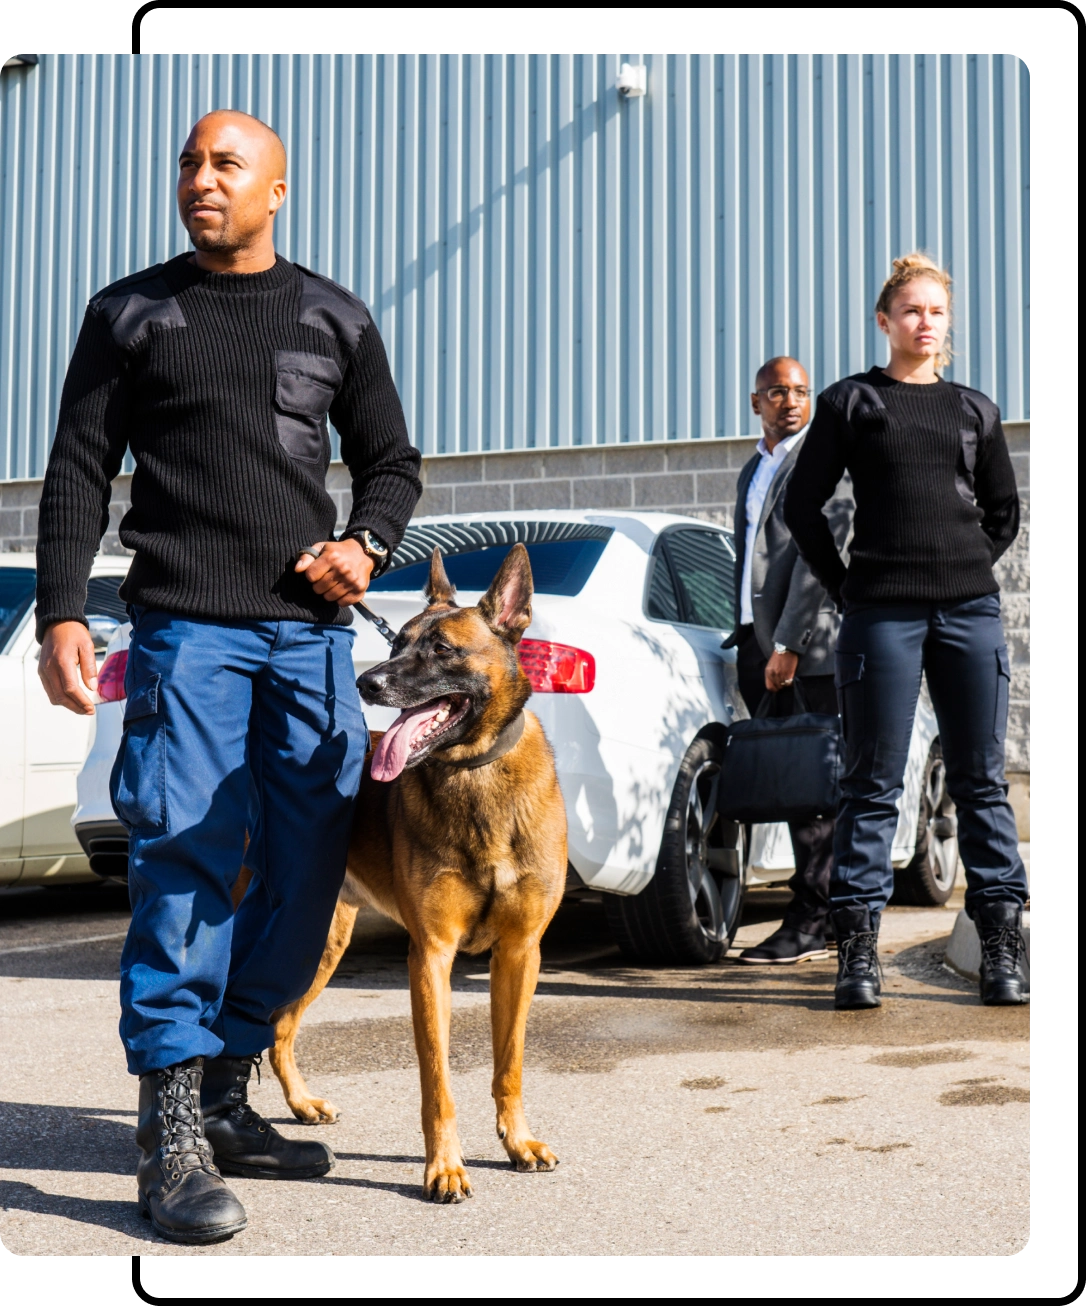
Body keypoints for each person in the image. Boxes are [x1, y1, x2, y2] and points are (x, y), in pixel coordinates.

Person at [35, 110, 422, 1243]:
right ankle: (168, 1130)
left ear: (277, 189)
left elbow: (391, 462)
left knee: (308, 878)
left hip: (307, 641)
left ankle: (227, 1088)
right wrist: (64, 606)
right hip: (185, 636)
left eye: (227, 165)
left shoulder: (331, 316)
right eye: (190, 164)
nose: (202, 180)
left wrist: (367, 544)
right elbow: (77, 468)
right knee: (187, 862)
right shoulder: (131, 314)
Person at [784, 253, 1029, 1011]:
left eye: (936, 312)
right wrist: (850, 586)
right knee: (871, 785)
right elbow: (803, 507)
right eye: (911, 311)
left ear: (946, 325)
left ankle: (999, 945)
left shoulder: (974, 410)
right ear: (885, 321)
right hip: (879, 617)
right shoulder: (850, 402)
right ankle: (857, 954)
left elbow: (1003, 514)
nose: (925, 322)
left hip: (969, 614)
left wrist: (956, 569)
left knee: (981, 779)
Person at [725, 357, 849, 964]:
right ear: (757, 402)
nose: (792, 401)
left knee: (813, 790)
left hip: (805, 650)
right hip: (758, 643)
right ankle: (820, 918)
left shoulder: (821, 458)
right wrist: (748, 636)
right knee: (791, 787)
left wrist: (789, 644)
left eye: (801, 391)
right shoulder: (755, 465)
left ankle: (812, 919)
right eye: (778, 392)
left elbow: (814, 555)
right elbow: (750, 555)